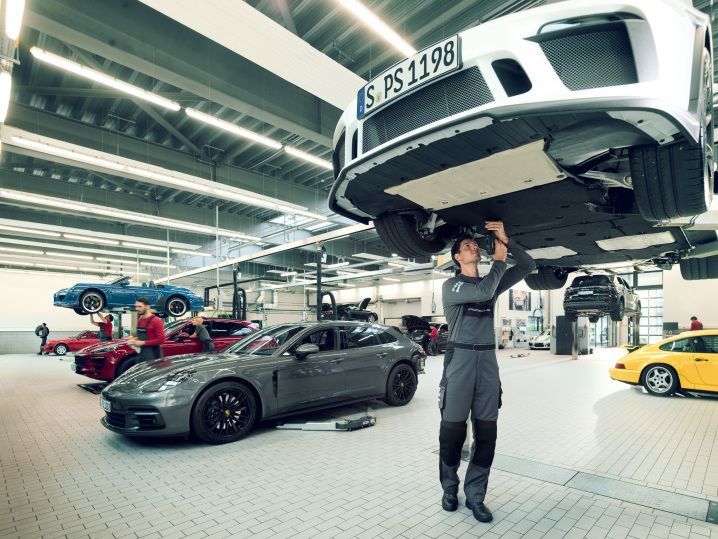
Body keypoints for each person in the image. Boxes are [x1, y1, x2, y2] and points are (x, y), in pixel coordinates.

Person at [438, 221, 536, 523]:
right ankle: (450, 489)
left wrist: (506, 240)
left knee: (486, 433)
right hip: (460, 362)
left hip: (487, 363)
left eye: (473, 245)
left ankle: (476, 496)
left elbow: (528, 265)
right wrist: (498, 258)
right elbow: (482, 290)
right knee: (452, 433)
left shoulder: (490, 285)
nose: (472, 247)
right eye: (466, 246)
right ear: (457, 257)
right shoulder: (453, 286)